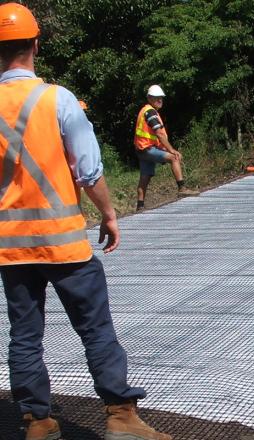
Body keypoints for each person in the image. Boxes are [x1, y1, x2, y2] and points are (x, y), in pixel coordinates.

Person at [0, 4, 171, 440]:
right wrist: (110, 215)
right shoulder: (57, 100)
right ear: (36, 44)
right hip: (64, 245)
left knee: (24, 335)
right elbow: (89, 171)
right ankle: (120, 417)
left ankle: (37, 422)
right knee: (95, 326)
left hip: (11, 246)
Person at [134, 85, 199, 211]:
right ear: (149, 98)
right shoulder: (150, 112)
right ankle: (182, 188)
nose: (160, 100)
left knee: (145, 176)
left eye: (161, 98)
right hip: (147, 149)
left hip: (142, 149)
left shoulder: (145, 110)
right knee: (173, 158)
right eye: (156, 98)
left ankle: (140, 205)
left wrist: (162, 148)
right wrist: (171, 150)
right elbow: (158, 133)